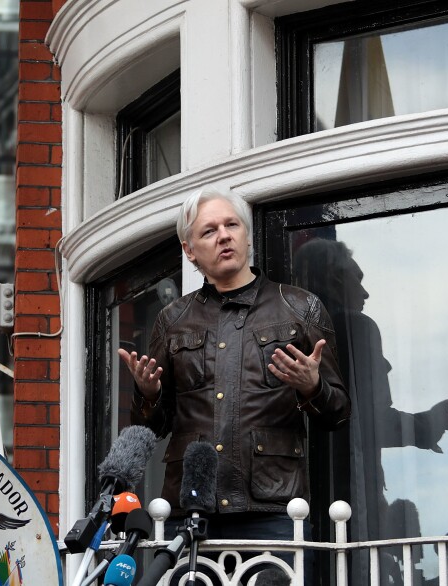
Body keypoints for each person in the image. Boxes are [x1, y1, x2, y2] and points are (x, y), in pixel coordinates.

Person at [118, 187, 350, 581]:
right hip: (188, 512)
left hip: (273, 513)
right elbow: (151, 428)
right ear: (189, 250)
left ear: (247, 236)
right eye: (209, 231)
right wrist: (148, 395)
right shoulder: (172, 319)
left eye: (232, 225)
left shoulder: (301, 307)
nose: (224, 235)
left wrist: (312, 387)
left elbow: (339, 414)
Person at [292, 239, 448, 585]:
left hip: (296, 497)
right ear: (336, 280)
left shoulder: (289, 335)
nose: (366, 292)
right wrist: (425, 425)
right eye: (357, 278)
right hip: (351, 493)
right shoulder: (357, 327)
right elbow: (370, 421)